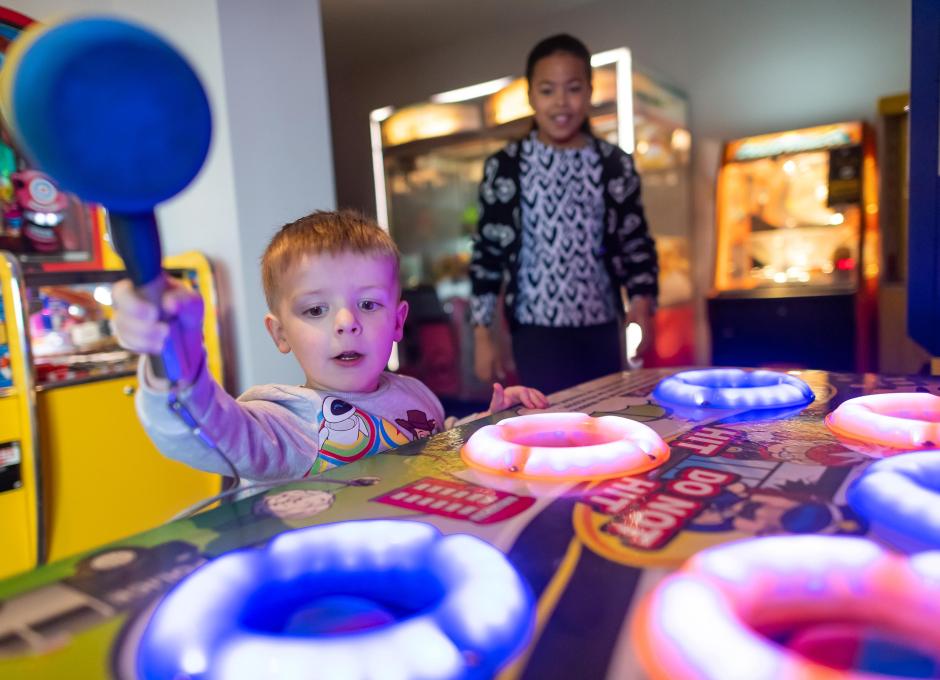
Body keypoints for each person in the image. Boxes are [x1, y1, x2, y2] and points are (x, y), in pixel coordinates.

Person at [113, 210, 547, 482]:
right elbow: (204, 431)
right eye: (316, 310)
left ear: (398, 322)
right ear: (280, 334)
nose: (347, 323)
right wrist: (175, 357)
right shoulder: (286, 421)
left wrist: (485, 426)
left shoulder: (416, 394)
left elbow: (433, 445)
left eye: (368, 304)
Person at [470, 33, 659, 395]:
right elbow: (487, 254)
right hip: (535, 331)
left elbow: (636, 240)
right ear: (530, 96)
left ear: (589, 91)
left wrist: (642, 303)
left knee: (604, 417)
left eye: (573, 88)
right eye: (547, 90)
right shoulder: (505, 166)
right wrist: (483, 334)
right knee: (549, 425)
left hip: (602, 326)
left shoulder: (613, 163)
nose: (561, 102)